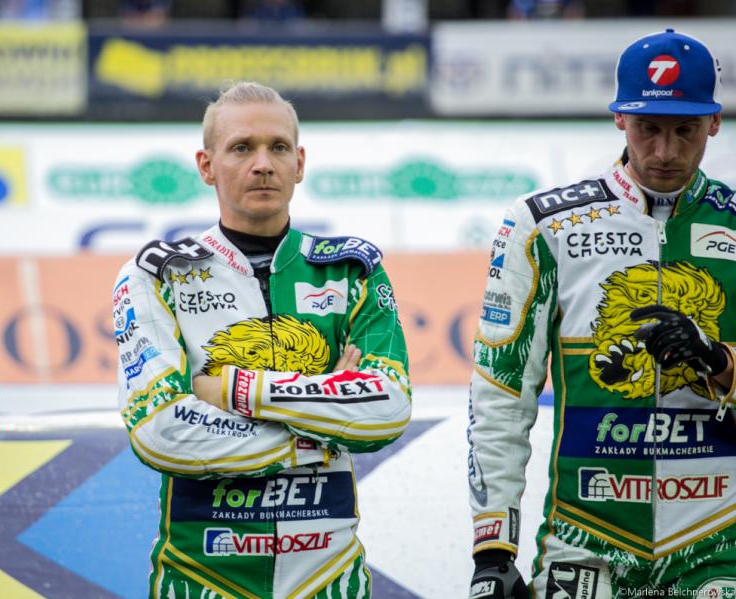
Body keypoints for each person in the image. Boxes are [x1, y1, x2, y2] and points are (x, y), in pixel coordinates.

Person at [113, 81, 411, 598]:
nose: (263, 164)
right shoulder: (158, 274)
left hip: (329, 576)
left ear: (299, 163)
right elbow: (159, 429)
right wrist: (323, 426)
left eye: (278, 147)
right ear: (207, 165)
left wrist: (236, 391)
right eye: (241, 148)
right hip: (202, 574)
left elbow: (388, 408)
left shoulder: (352, 269)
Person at [467, 29, 735, 598]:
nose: (664, 152)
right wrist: (493, 550)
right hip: (585, 537)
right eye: (648, 129)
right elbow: (501, 392)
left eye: (685, 130)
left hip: (719, 542)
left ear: (714, 122)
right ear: (619, 118)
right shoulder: (544, 225)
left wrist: (720, 362)